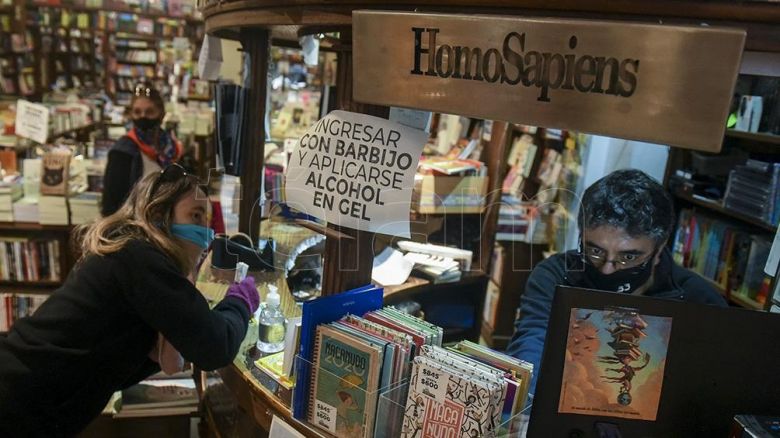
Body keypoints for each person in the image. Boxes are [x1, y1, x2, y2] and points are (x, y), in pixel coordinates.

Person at [0, 164, 259, 436]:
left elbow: (169, 357)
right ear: (158, 216)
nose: (204, 233)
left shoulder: (128, 248)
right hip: (18, 403)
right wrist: (240, 301)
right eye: (195, 216)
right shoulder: (140, 258)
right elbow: (215, 346)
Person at [505, 169, 726, 396]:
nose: (608, 269)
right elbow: (532, 343)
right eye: (595, 250)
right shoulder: (555, 275)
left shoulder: (699, 301)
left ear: (659, 250)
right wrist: (525, 401)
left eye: (628, 257)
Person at [101, 82, 183, 217]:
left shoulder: (170, 147)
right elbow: (111, 204)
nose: (143, 117)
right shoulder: (122, 152)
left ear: (161, 114)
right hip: (135, 225)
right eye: (137, 112)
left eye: (149, 112)